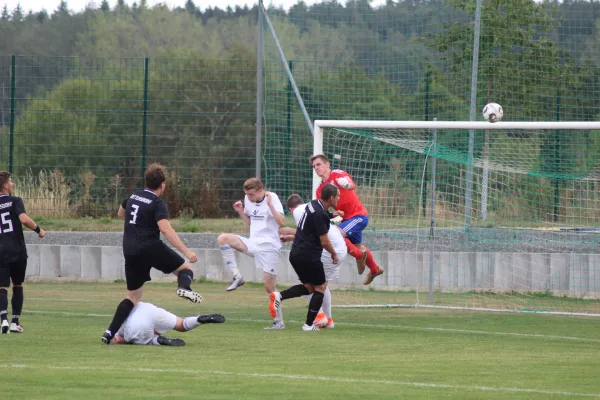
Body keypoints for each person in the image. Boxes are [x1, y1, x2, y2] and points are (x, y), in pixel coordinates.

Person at [102, 163, 202, 345]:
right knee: (185, 269)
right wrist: (186, 251)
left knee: (133, 296)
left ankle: (109, 332)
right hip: (149, 246)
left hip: (129, 249)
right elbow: (165, 230)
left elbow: (120, 213)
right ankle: (184, 288)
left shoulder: (133, 196)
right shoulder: (157, 203)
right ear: (162, 184)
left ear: (146, 181)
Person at [216, 178, 286, 329]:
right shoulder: (248, 199)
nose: (249, 197)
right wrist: (240, 211)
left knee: (269, 287)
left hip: (269, 247)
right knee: (222, 239)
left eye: (252, 194)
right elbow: (251, 222)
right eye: (247, 194)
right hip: (253, 243)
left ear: (260, 190)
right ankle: (237, 277)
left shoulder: (271, 198)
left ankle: (279, 322)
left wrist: (271, 206)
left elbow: (281, 222)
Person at [268, 184, 340, 332]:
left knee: (309, 287)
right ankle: (308, 325)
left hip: (295, 254)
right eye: (337, 196)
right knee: (321, 287)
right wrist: (334, 254)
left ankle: (279, 295)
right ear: (332, 198)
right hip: (309, 255)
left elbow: (317, 217)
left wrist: (332, 215)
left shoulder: (313, 205)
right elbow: (325, 241)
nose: (339, 198)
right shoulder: (320, 215)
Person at [310, 154, 385, 285]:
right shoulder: (320, 190)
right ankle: (375, 269)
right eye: (314, 166)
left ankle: (359, 256)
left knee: (337, 236)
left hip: (358, 216)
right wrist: (332, 215)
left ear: (327, 164)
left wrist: (347, 185)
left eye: (319, 164)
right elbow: (324, 211)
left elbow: (351, 184)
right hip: (346, 221)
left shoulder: (337, 174)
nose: (316, 168)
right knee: (357, 247)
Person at [0, 171, 46, 335]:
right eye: (11, 181)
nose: (12, 184)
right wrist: (39, 230)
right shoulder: (15, 201)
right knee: (17, 285)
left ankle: (3, 319)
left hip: (1, 252)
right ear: (5, 185)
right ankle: (15, 322)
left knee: (2, 287)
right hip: (16, 250)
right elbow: (24, 219)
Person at [111, 301, 225, 346]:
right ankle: (198, 319)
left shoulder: (117, 325)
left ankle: (159, 340)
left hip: (137, 325)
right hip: (149, 309)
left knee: (148, 339)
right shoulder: (135, 303)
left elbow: (117, 339)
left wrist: (122, 340)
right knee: (181, 324)